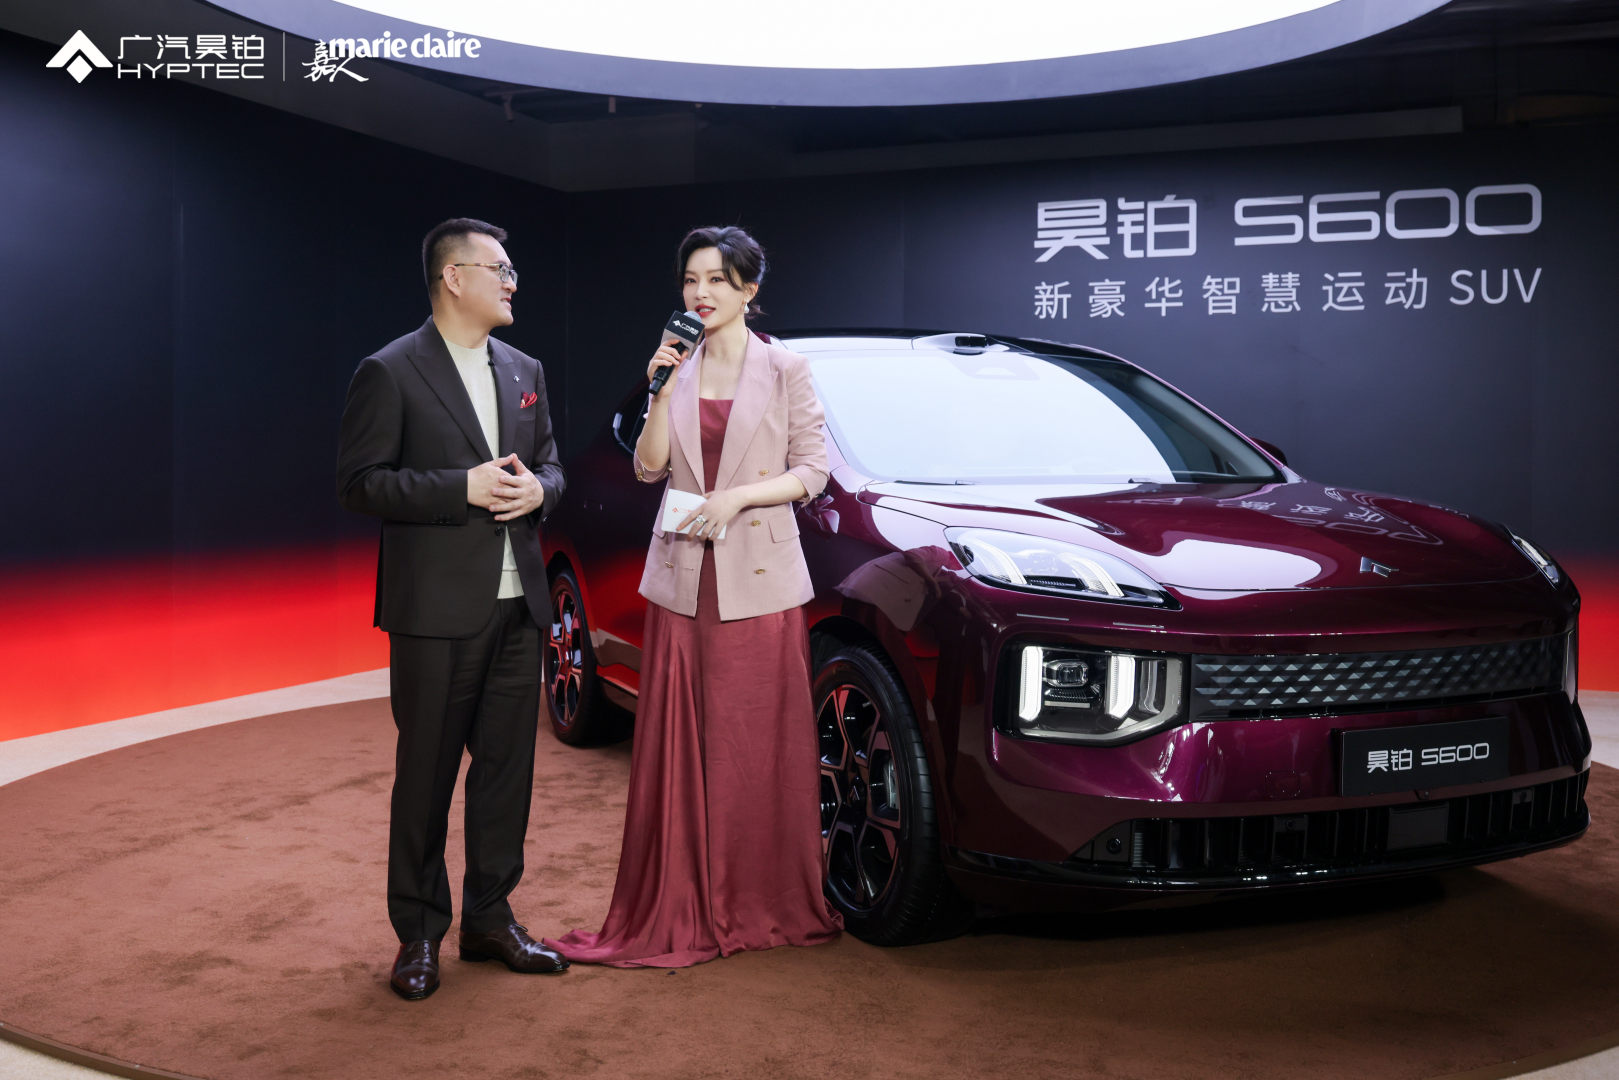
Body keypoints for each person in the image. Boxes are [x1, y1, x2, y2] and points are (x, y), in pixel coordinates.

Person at [546, 225, 841, 967]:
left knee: (753, 743)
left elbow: (812, 470)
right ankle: (681, 894)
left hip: (760, 578)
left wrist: (738, 497)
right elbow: (649, 468)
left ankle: (757, 895)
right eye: (690, 280)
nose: (700, 293)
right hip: (682, 576)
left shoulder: (786, 368)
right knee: (681, 740)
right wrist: (659, 388)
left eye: (716, 279)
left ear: (749, 290)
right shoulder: (676, 366)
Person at [336, 217, 570, 1000]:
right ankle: (418, 934)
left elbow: (550, 465)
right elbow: (359, 483)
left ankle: (490, 921)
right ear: (453, 277)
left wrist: (541, 491)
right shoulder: (389, 370)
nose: (512, 281)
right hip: (433, 613)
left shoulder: (525, 368)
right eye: (498, 268)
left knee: (506, 777)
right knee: (426, 778)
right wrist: (458, 489)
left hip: (518, 606)